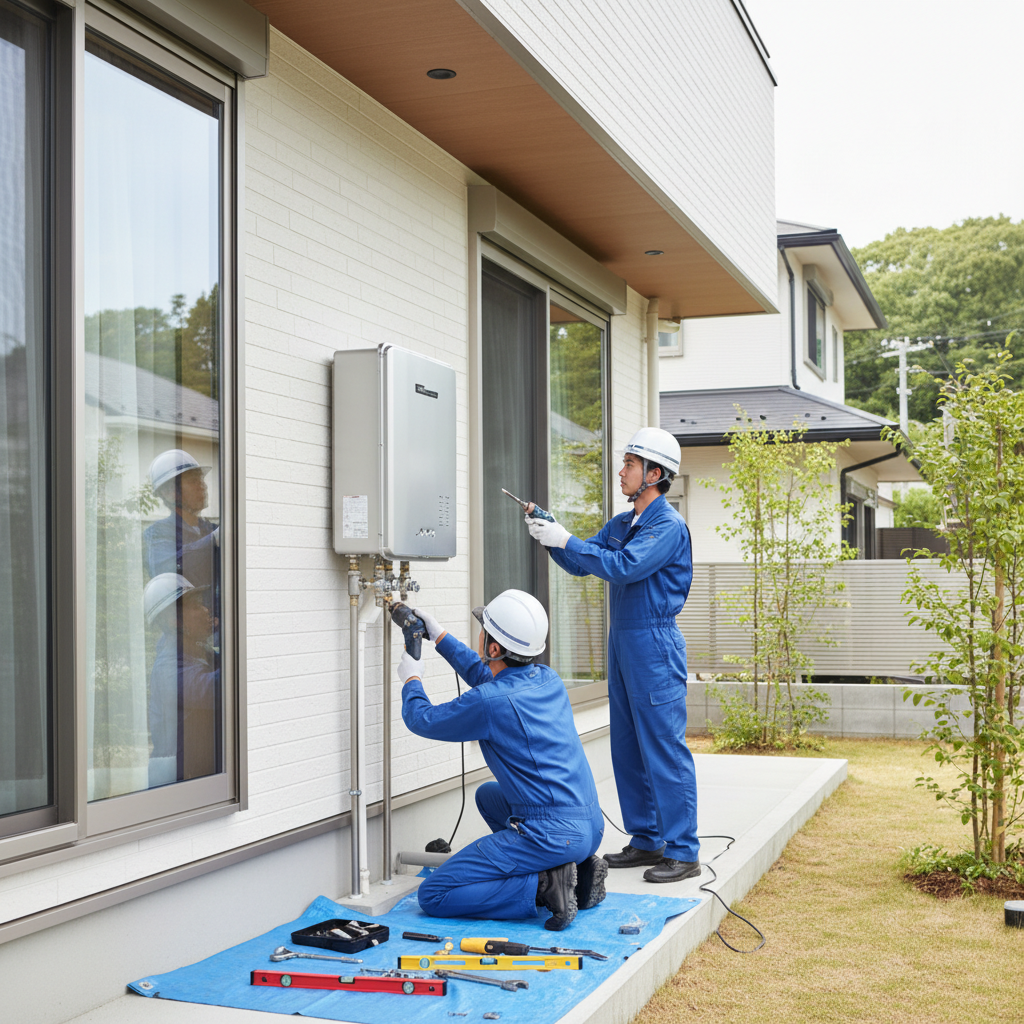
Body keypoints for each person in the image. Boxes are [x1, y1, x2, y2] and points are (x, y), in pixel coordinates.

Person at [526, 426, 699, 883]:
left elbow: (623, 566)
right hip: (623, 642)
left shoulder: (666, 525)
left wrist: (565, 539)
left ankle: (683, 850)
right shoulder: (624, 524)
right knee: (626, 745)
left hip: (655, 644)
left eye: (630, 463)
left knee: (663, 745)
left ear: (655, 473)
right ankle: (647, 839)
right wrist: (549, 535)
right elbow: (587, 562)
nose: (621, 471)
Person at [398, 590, 607, 930]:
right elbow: (490, 681)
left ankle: (544, 886)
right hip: (588, 824)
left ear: (493, 648)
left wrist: (412, 678)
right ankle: (577, 871)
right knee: (488, 796)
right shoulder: (548, 679)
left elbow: (422, 719)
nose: (480, 633)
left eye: (484, 629)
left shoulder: (491, 703)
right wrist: (439, 637)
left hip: (552, 834)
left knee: (434, 895)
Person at [144, 573, 220, 787]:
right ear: (174, 621)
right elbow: (220, 688)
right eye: (195, 605)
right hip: (176, 789)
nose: (206, 610)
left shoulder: (195, 651)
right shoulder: (168, 669)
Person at [144, 449, 219, 594]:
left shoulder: (210, 529)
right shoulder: (156, 534)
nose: (203, 486)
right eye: (193, 481)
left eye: (201, 479)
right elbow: (169, 566)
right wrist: (214, 540)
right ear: (169, 493)